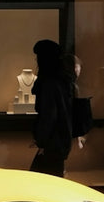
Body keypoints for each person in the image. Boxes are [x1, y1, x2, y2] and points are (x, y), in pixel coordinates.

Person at [31, 38, 73, 176]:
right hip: (58, 142)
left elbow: (49, 115)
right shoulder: (62, 81)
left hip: (52, 144)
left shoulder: (49, 84)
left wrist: (42, 141)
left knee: (40, 182)